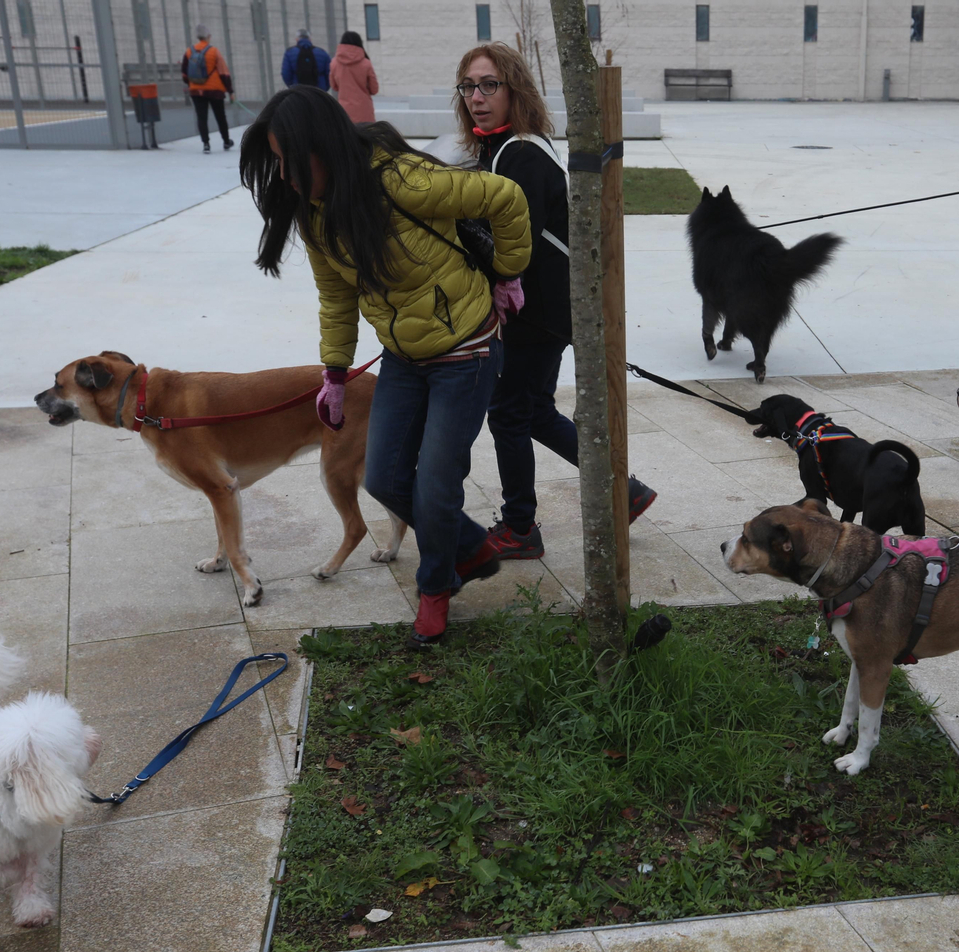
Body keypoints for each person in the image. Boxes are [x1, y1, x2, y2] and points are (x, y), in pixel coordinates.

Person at [238, 86, 533, 647]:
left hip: (465, 349)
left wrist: (508, 271)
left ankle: (436, 586)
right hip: (403, 356)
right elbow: (336, 297)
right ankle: (469, 546)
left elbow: (507, 197)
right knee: (384, 478)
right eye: (275, 161)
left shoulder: (404, 181)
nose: (283, 175)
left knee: (436, 484)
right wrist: (334, 373)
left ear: (323, 147)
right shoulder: (316, 214)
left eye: (288, 159)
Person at [454, 42, 657, 561]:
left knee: (508, 414)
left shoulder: (520, 153)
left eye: (489, 85)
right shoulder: (504, 148)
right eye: (469, 87)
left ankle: (520, 528)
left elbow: (511, 244)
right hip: (549, 306)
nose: (477, 97)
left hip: (537, 310)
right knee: (535, 411)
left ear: (514, 89)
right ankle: (626, 491)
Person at [181, 24, 234, 154]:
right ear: (208, 36)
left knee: (201, 117)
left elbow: (184, 73)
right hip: (215, 90)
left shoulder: (189, 51)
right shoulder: (214, 51)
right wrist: (230, 91)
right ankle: (226, 141)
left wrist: (192, 84)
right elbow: (224, 73)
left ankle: (206, 144)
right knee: (220, 116)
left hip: (196, 91)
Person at [329, 30, 379, 125]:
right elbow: (374, 89)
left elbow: (334, 86)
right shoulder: (366, 63)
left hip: (344, 111)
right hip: (364, 112)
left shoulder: (334, 63)